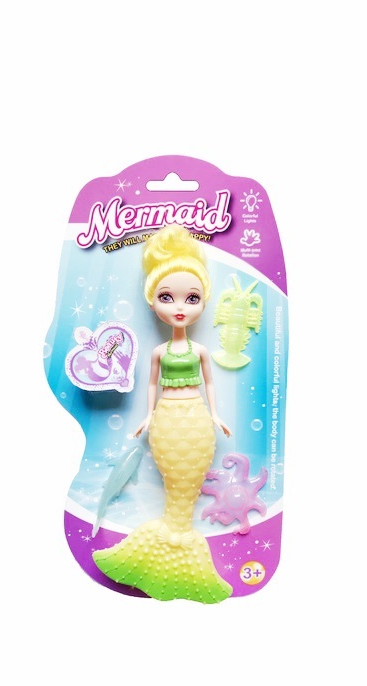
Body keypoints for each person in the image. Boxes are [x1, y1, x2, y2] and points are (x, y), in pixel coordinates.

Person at [93, 225, 233, 604]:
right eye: (166, 297)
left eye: (192, 297)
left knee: (188, 483)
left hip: (196, 421)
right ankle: (169, 539)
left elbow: (210, 383)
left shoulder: (200, 350)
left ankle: (179, 537)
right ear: (152, 299)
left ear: (203, 300)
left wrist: (216, 416)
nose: (179, 307)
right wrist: (148, 416)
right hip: (167, 421)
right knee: (173, 480)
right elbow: (151, 385)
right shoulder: (158, 352)